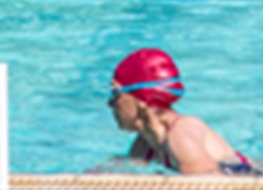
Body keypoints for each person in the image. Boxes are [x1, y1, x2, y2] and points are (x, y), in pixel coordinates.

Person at [108, 49, 255, 175]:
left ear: (141, 98)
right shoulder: (145, 145)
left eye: (115, 93)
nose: (110, 103)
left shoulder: (181, 137)